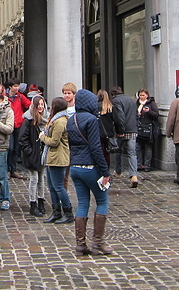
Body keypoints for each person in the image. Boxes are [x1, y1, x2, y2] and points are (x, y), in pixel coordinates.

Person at [67, 89, 113, 255]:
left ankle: (80, 245)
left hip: (75, 167)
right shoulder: (92, 119)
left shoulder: (71, 120)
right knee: (102, 201)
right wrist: (105, 171)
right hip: (90, 167)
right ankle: (98, 242)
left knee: (83, 203)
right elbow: (95, 147)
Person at [39, 93, 74, 224]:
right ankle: (56, 212)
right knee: (52, 187)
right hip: (51, 157)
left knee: (58, 186)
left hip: (58, 157)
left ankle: (68, 212)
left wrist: (42, 136)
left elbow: (54, 141)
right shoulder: (55, 119)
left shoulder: (60, 121)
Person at [19, 94, 48, 217]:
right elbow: (22, 138)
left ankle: (41, 201)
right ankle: (33, 203)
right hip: (33, 154)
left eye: (42, 104)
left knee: (42, 178)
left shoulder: (46, 119)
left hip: (42, 153)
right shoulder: (28, 120)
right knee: (34, 178)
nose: (41, 107)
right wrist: (29, 151)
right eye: (39, 105)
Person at [110, 86, 139, 188]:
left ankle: (118, 171)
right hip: (132, 129)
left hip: (122, 130)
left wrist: (120, 130)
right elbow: (136, 115)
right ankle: (134, 175)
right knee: (132, 153)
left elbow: (120, 116)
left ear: (113, 94)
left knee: (118, 150)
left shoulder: (116, 101)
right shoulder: (131, 100)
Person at [6, 78, 31, 180]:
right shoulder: (5, 97)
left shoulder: (20, 97)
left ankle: (13, 169)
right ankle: (7, 169)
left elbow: (29, 105)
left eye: (18, 86)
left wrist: (25, 116)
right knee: (10, 148)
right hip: (9, 124)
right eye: (15, 86)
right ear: (10, 87)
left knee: (16, 148)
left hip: (18, 124)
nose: (17, 88)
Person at [136, 89, 159, 172]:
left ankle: (147, 166)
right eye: (140, 95)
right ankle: (139, 165)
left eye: (143, 95)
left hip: (149, 128)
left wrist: (149, 111)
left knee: (148, 148)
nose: (141, 97)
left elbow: (156, 114)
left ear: (147, 95)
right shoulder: (137, 103)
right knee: (138, 147)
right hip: (139, 127)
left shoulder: (151, 103)